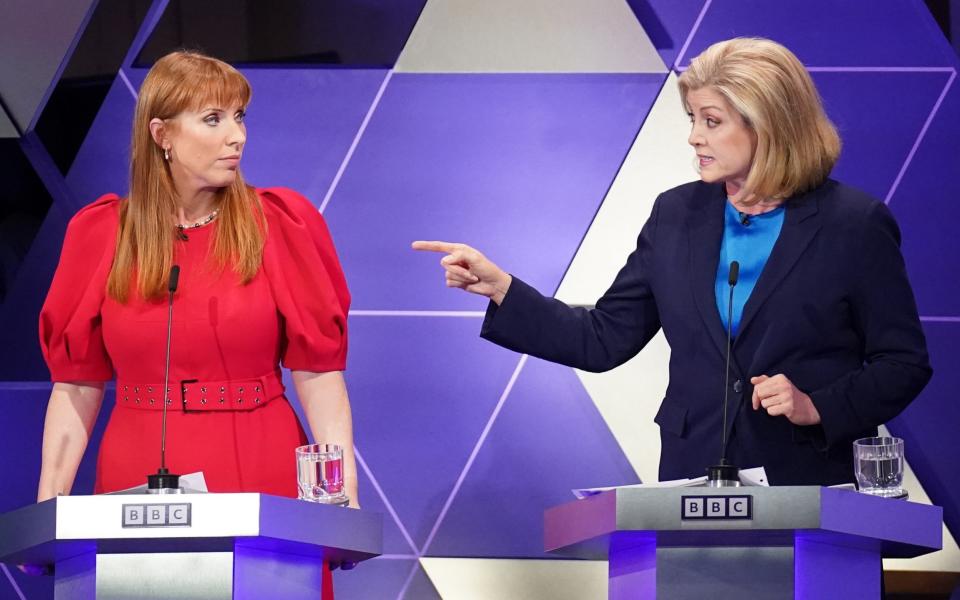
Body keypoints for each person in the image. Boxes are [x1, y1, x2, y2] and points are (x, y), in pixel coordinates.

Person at [413, 37, 932, 486]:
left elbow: (902, 363)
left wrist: (817, 405)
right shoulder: (677, 214)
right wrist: (504, 288)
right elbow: (603, 338)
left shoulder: (853, 223)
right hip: (692, 473)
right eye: (693, 119)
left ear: (767, 125)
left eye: (711, 120)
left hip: (808, 482)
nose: (693, 137)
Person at [36, 50, 357, 589]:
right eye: (214, 119)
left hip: (261, 462)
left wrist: (341, 498)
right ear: (161, 134)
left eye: (240, 117)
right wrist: (50, 509)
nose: (237, 136)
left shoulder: (280, 225)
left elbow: (320, 373)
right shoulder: (98, 236)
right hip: (137, 470)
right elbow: (75, 385)